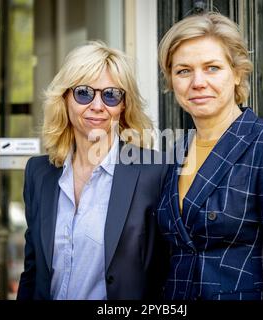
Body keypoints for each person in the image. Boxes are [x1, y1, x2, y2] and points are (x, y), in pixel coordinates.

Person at [156, 12, 263, 300]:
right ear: (171, 80)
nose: (198, 82)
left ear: (237, 72)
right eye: (183, 71)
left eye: (212, 68)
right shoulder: (175, 152)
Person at [17, 41, 169, 300]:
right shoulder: (38, 173)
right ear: (65, 99)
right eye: (84, 93)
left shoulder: (155, 172)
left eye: (111, 95)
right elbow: (33, 271)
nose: (98, 105)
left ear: (123, 106)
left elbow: (167, 273)